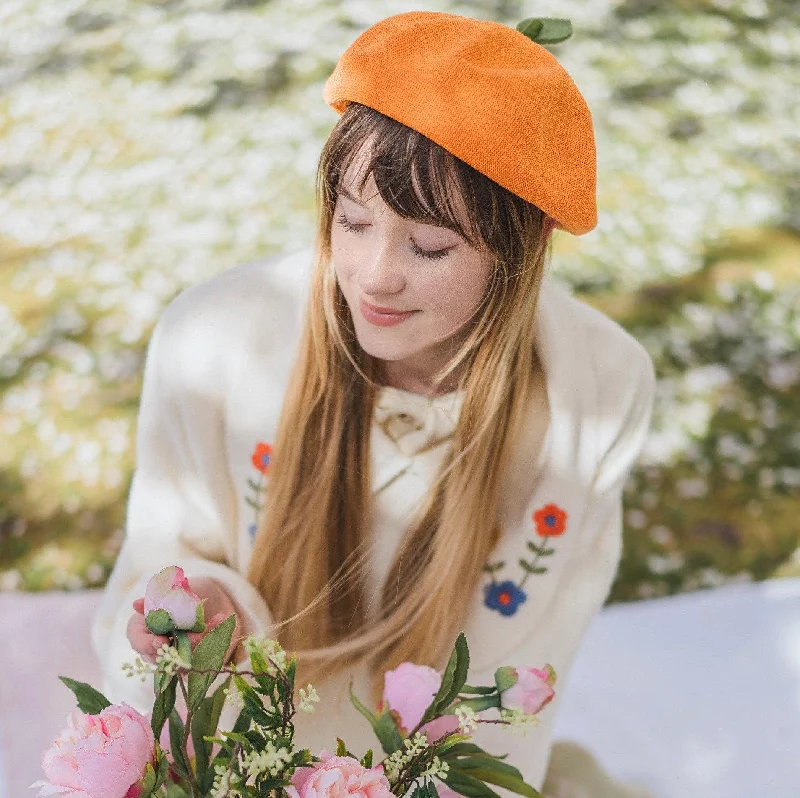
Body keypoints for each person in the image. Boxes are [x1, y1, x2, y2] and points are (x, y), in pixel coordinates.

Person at [92, 11, 656, 797]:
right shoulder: (213, 340)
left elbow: (520, 662)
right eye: (352, 223)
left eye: (430, 247)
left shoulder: (593, 390)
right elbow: (159, 554)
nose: (373, 275)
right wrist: (198, 607)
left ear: (519, 253)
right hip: (246, 758)